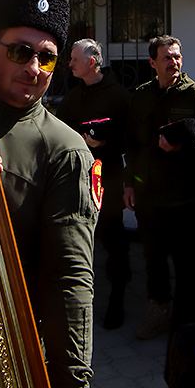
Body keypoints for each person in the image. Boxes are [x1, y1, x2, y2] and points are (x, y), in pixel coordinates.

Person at [0, 0, 97, 388]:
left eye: (47, 58)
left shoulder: (63, 150)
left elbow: (70, 275)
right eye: (21, 51)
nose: (34, 68)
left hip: (8, 359)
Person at [126, 35, 195, 340]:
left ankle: (190, 318)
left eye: (177, 57)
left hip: (184, 192)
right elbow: (133, 145)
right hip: (149, 193)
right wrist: (129, 183)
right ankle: (158, 311)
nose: (174, 63)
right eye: (167, 58)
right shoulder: (141, 96)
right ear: (153, 63)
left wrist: (183, 141)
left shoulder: (194, 95)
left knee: (188, 258)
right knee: (153, 257)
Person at [56, 37, 132, 330]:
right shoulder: (74, 97)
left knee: (114, 240)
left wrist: (104, 142)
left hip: (109, 178)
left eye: (74, 59)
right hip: (78, 181)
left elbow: (130, 139)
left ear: (91, 62)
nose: (69, 64)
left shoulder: (120, 97)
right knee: (79, 241)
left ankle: (118, 298)